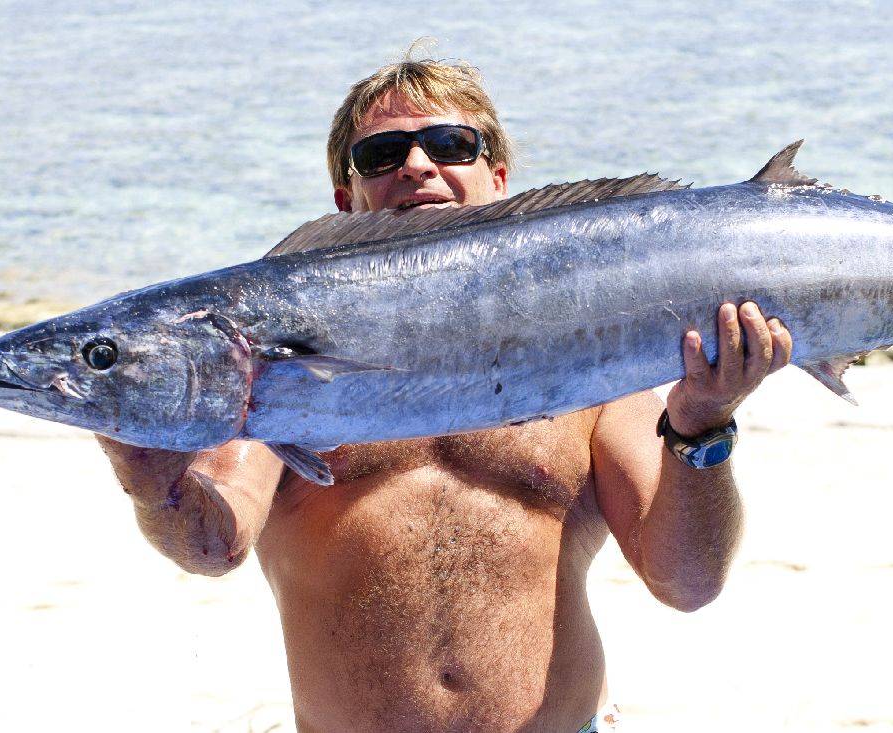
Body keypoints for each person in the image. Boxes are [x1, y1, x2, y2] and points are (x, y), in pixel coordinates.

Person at [97, 55, 792, 732]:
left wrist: (702, 425)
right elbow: (211, 545)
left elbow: (686, 582)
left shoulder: (584, 357)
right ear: (345, 198)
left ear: (498, 179)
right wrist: (150, 481)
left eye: (452, 144)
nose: (417, 166)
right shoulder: (277, 357)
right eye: (381, 154)